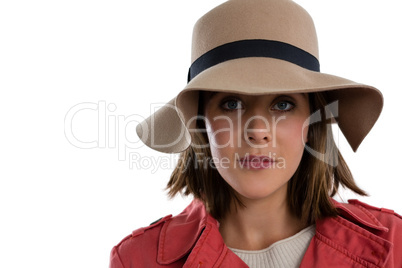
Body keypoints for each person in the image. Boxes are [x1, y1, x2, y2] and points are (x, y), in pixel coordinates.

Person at [110, 0, 402, 267]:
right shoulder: (137, 259)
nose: (258, 132)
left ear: (312, 124)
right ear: (200, 124)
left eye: (283, 104)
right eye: (232, 104)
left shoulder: (395, 243)